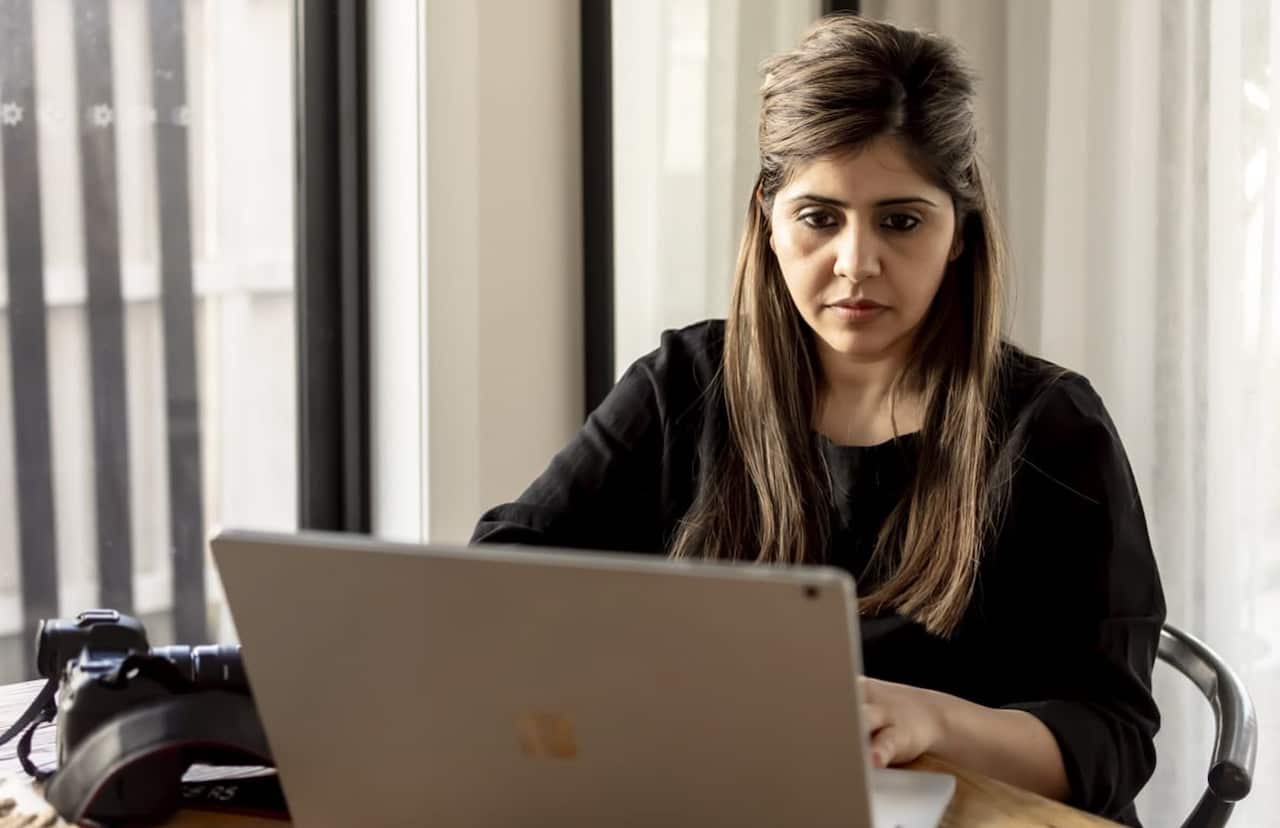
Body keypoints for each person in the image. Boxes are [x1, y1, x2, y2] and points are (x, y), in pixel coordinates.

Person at [472, 14, 1164, 827]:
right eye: (820, 217)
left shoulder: (1050, 426)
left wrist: (933, 721)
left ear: (960, 234)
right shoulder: (685, 382)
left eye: (901, 221)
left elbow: (1113, 740)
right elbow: (505, 580)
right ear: (768, 217)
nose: (856, 263)